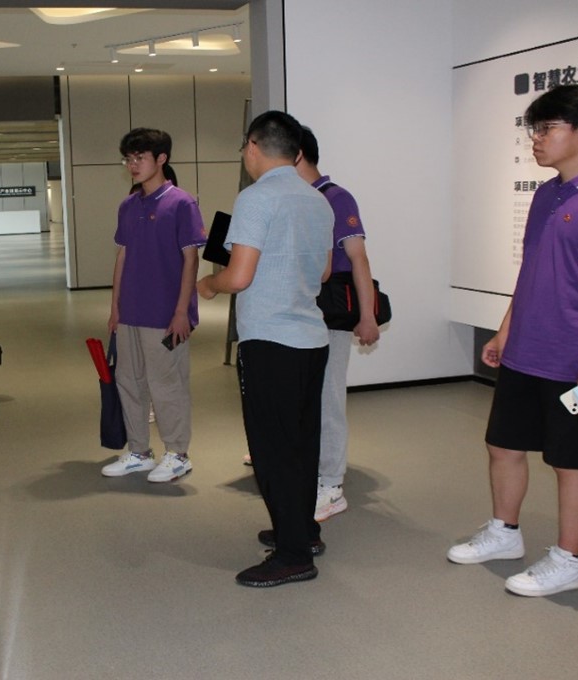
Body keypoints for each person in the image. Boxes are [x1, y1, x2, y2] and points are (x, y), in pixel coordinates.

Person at [447, 84, 578, 597]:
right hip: (527, 350)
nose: (535, 139)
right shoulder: (546, 194)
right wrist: (506, 330)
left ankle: (568, 561)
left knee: (570, 461)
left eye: (546, 128)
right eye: (533, 130)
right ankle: (504, 533)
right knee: (503, 445)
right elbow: (532, 271)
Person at [197, 111, 333, 587]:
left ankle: (293, 555)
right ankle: (303, 530)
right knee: (302, 442)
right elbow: (322, 273)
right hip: (311, 340)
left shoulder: (255, 198)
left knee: (272, 448)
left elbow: (239, 276)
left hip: (270, 341)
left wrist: (209, 284)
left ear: (253, 147)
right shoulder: (317, 200)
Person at [101, 128, 207, 483]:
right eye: (128, 159)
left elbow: (191, 259)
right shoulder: (128, 205)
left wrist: (181, 311)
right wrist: (115, 307)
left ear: (161, 159)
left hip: (165, 314)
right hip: (130, 312)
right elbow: (123, 256)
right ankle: (139, 452)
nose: (133, 165)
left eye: (140, 158)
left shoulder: (181, 203)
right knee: (129, 382)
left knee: (167, 385)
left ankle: (178, 454)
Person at [294, 126, 381, 523]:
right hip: (298, 314)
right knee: (304, 394)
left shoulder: (336, 197)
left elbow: (359, 259)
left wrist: (367, 316)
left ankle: (331, 484)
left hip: (329, 314)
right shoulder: (295, 199)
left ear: (297, 154)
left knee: (328, 398)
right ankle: (309, 463)